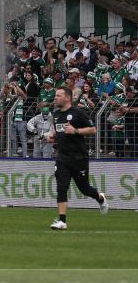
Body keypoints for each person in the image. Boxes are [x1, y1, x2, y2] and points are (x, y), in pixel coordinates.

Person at [47, 87, 109, 230]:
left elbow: (93, 130)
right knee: (61, 187)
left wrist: (76, 131)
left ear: (67, 98)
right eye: (55, 95)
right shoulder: (56, 114)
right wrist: (52, 137)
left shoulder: (78, 113)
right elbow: (58, 131)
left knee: (85, 189)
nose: (55, 98)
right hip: (62, 157)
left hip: (78, 157)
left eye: (58, 95)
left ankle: (100, 198)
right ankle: (62, 221)